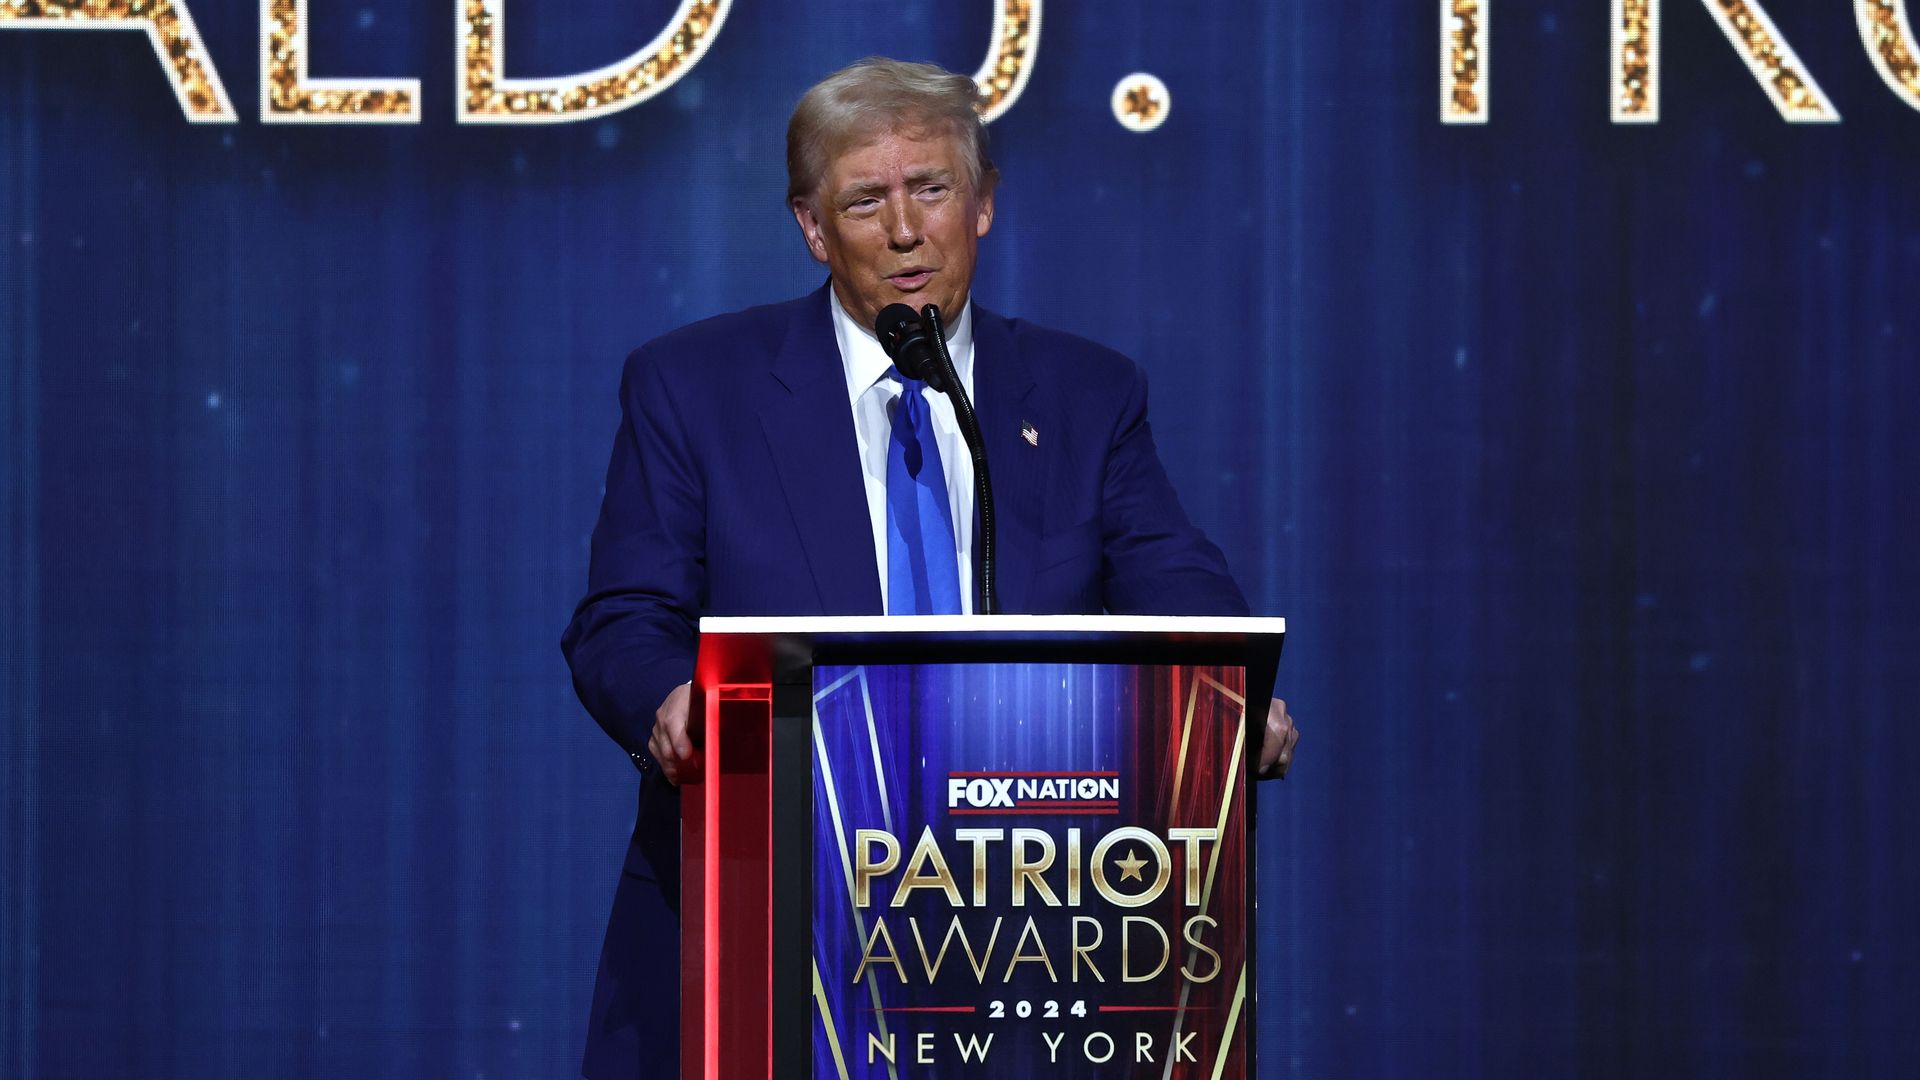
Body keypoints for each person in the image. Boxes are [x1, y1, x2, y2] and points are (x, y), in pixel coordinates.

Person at [560, 56, 1299, 1080]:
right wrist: (671, 701)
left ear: (985, 204)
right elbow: (623, 615)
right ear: (814, 229)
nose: (905, 231)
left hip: (1036, 926)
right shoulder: (695, 386)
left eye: (933, 190)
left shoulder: (1085, 392)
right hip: (770, 904)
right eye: (865, 201)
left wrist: (1225, 697)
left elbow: (1170, 569)